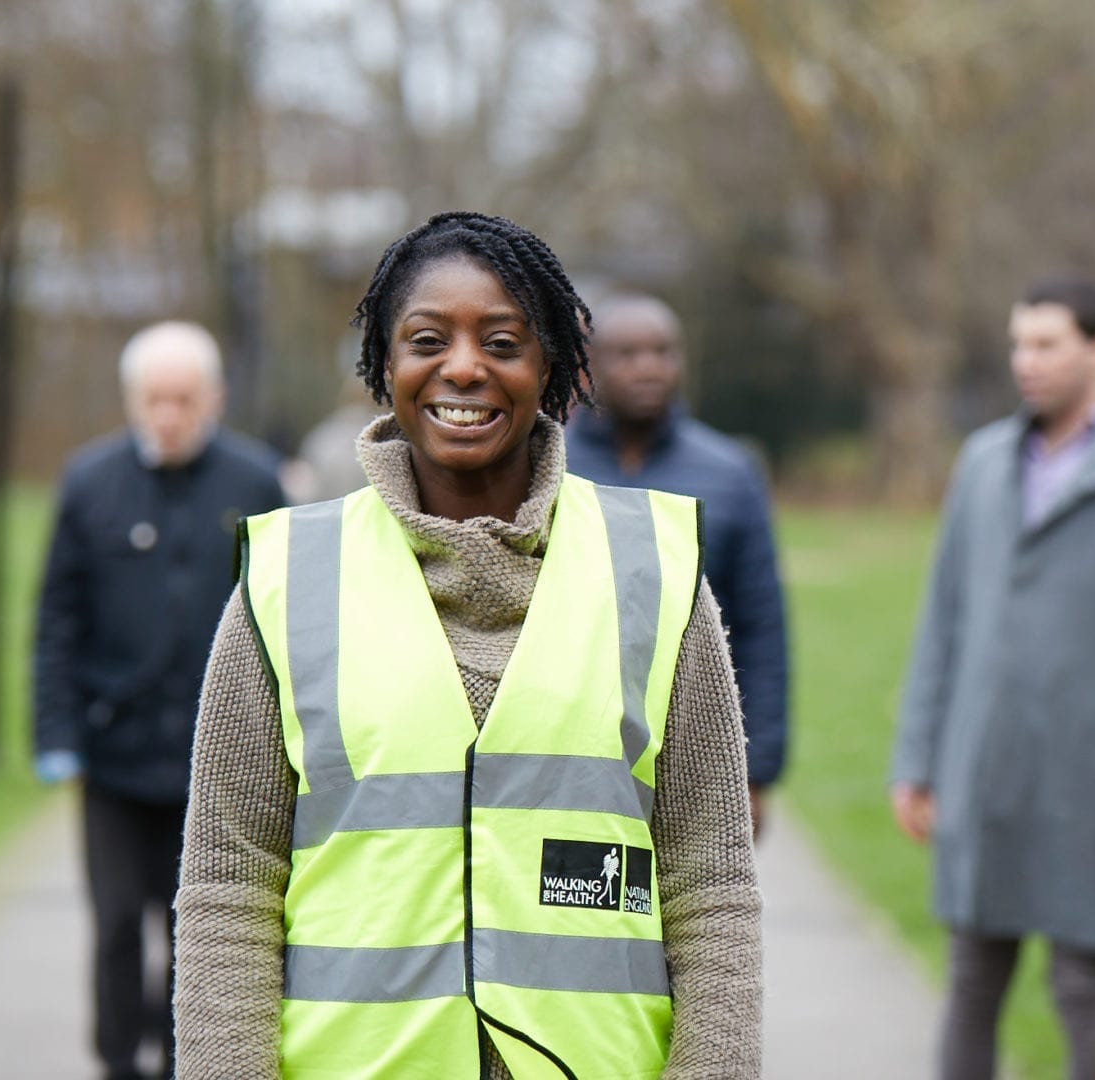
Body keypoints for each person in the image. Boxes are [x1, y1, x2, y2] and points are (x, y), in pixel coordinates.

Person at [173, 211, 762, 1078]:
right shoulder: (287, 579)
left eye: (500, 340)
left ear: (550, 366)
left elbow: (711, 887)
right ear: (384, 364)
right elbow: (230, 886)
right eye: (425, 339)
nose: (462, 367)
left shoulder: (655, 573)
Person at [889, 276, 1095, 1080]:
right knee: (971, 982)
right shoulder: (985, 461)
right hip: (984, 771)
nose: (1023, 362)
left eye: (1045, 344)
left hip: (1091, 783)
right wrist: (917, 760)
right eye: (1016, 344)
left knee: (1081, 989)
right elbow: (943, 622)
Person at [33, 320, 286, 1080]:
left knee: (197, 929)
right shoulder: (88, 482)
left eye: (184, 399)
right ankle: (117, 1061)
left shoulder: (254, 483)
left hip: (217, 761)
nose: (169, 416)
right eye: (155, 400)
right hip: (114, 754)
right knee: (114, 924)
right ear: (131, 400)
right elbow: (56, 621)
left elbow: (284, 615)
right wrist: (56, 731)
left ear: (213, 398)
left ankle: (186, 1062)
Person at [566, 293, 792, 823]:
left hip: (697, 736)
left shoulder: (731, 473)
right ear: (589, 365)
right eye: (627, 353)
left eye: (663, 351)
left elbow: (762, 625)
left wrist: (757, 771)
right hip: (574, 743)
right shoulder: (548, 463)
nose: (648, 366)